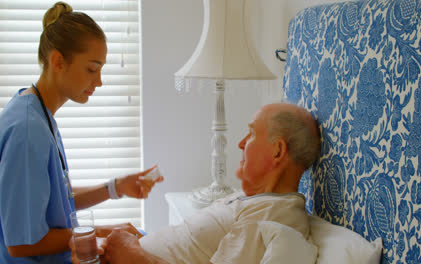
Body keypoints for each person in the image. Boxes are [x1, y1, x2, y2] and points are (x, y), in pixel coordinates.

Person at [0, 2, 163, 263]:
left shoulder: (38, 113)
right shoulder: (28, 130)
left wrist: (116, 187)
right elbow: (22, 244)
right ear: (57, 61)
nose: (98, 81)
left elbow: (54, 202)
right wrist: (109, 232)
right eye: (91, 69)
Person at [73, 103, 321, 264]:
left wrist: (133, 255)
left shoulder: (273, 217)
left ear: (277, 151)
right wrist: (135, 238)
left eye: (252, 133)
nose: (241, 143)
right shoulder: (255, 200)